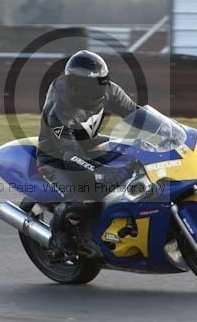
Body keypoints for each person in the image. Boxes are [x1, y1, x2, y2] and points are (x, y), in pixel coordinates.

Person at [36, 50, 139, 258]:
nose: (100, 89)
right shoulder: (59, 109)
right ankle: (60, 238)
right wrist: (104, 172)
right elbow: (70, 155)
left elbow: (137, 114)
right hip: (57, 156)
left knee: (134, 154)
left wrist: (167, 131)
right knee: (85, 200)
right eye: (93, 85)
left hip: (88, 144)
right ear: (76, 85)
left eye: (102, 81)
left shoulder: (108, 90)